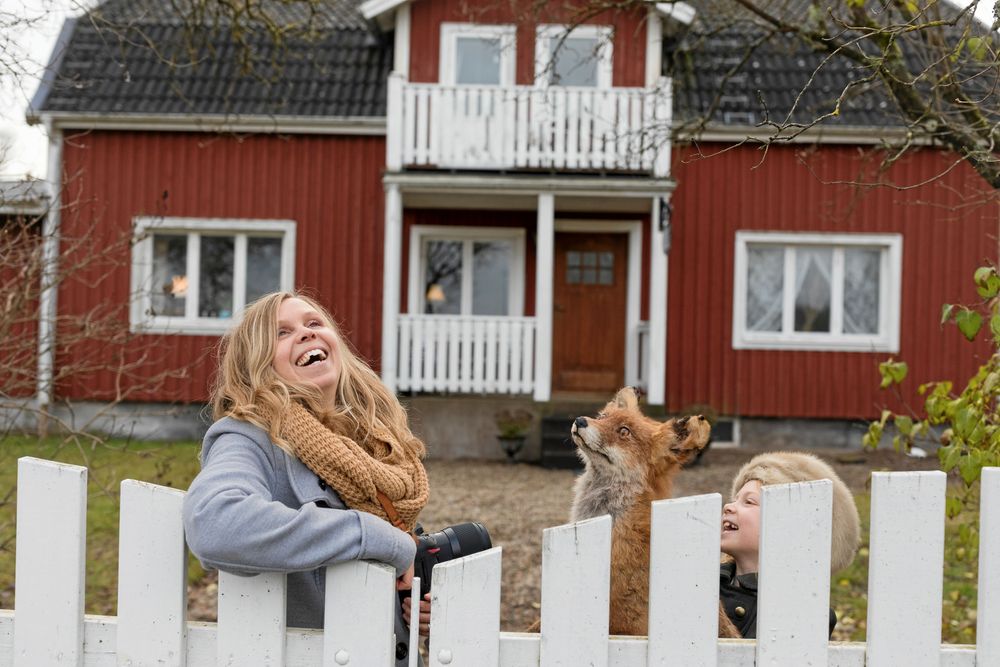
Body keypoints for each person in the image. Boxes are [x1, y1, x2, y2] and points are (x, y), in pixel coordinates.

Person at [182, 291, 430, 665]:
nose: (305, 334)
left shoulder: (371, 442)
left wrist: (418, 609)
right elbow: (214, 523)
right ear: (257, 367)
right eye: (281, 333)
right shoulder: (249, 437)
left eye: (314, 323)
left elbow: (390, 553)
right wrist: (376, 536)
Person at [719, 451, 861, 638]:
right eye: (735, 499)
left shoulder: (802, 615)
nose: (728, 506)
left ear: (788, 526)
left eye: (749, 502)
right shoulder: (704, 583)